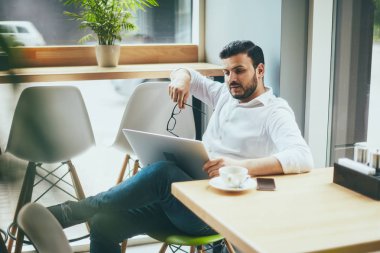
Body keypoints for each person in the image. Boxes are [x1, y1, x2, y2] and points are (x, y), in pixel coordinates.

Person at [48, 40, 313, 253]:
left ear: (260, 70)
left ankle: (74, 211)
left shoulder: (275, 111)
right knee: (105, 225)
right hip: (185, 200)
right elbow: (185, 72)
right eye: (226, 72)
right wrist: (181, 78)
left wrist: (240, 166)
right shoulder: (225, 94)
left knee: (163, 173)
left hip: (217, 213)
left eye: (239, 70)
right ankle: (83, 212)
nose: (231, 78)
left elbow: (302, 157)